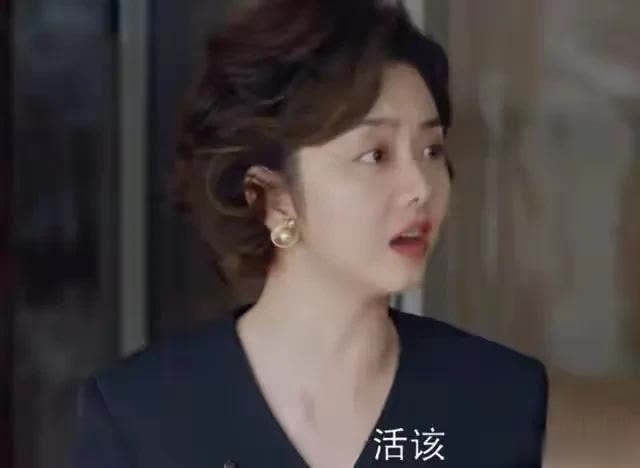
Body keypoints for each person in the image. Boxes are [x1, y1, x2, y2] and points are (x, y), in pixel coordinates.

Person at [69, 0, 547, 466]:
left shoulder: (498, 400)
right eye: (376, 155)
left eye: (432, 150)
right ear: (271, 196)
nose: (421, 188)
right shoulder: (139, 418)